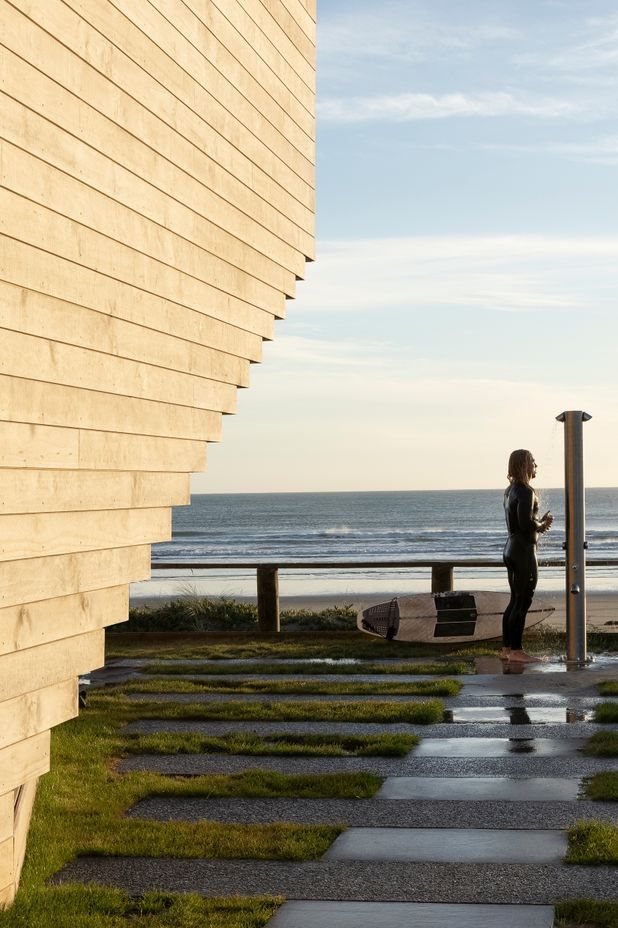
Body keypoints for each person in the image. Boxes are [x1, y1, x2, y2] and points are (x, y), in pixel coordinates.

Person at [501, 449, 553, 663]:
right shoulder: (525, 491)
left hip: (510, 548)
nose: (535, 465)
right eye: (532, 461)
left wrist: (537, 522)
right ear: (523, 465)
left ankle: (506, 649)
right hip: (523, 552)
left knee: (514, 601)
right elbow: (526, 525)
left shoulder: (509, 490)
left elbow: (520, 519)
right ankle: (517, 650)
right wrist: (543, 524)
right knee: (523, 601)